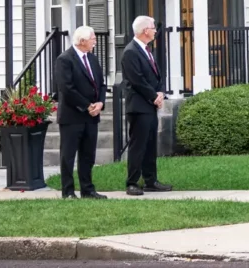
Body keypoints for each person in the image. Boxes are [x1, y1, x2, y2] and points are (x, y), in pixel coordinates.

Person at [120, 15, 172, 196]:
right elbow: (137, 80)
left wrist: (160, 92)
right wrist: (153, 96)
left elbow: (156, 76)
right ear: (144, 31)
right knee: (138, 145)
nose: (155, 30)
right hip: (139, 107)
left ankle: (151, 180)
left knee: (150, 145)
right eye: (153, 27)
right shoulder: (130, 52)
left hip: (150, 105)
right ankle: (132, 182)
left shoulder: (147, 50)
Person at [54, 25, 107, 199]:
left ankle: (88, 189)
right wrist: (86, 106)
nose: (95, 40)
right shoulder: (65, 59)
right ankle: (68, 191)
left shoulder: (92, 58)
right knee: (68, 156)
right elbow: (66, 88)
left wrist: (100, 103)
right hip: (72, 116)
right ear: (82, 41)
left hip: (92, 117)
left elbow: (101, 83)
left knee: (88, 155)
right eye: (92, 38)